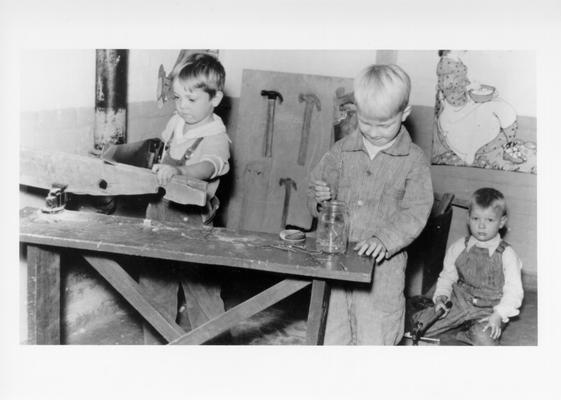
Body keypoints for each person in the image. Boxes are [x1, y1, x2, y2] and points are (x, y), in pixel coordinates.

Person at [307, 64, 434, 345]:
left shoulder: (414, 160)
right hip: (337, 260)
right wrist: (320, 199)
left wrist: (385, 239)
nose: (374, 132)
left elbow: (416, 211)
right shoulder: (339, 151)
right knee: (331, 331)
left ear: (405, 114)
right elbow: (316, 189)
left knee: (376, 332)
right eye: (366, 123)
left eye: (385, 124)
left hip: (383, 269)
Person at [138, 52, 230, 344]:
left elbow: (208, 167)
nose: (182, 107)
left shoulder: (216, 136)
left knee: (201, 290)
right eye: (177, 98)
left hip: (192, 221)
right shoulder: (177, 121)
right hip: (159, 212)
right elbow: (162, 145)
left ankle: (216, 351)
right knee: (154, 286)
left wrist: (178, 170)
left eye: (191, 100)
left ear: (215, 99)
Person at [412, 188, 524, 345]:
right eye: (476, 219)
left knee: (484, 339)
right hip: (458, 303)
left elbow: (514, 292)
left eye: (489, 220)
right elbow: (447, 277)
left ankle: (470, 330)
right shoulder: (458, 247)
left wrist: (499, 315)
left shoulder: (507, 254)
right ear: (468, 218)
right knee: (420, 326)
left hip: (489, 310)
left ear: (502, 222)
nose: (481, 226)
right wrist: (441, 297)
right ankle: (459, 326)